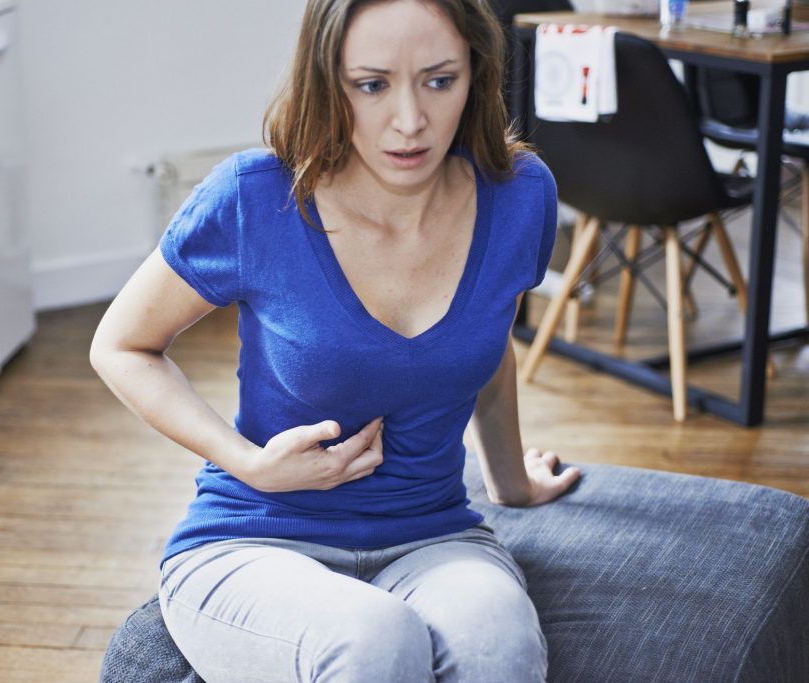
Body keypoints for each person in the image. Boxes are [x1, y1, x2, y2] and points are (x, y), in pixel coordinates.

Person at [90, 0, 581, 680]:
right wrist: (248, 462)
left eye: (439, 80)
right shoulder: (254, 196)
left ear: (477, 72)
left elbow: (487, 344)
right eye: (372, 85)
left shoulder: (520, 194)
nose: (409, 120)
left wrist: (513, 484)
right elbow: (121, 346)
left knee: (500, 647)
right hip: (256, 538)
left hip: (433, 535)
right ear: (327, 79)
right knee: (375, 639)